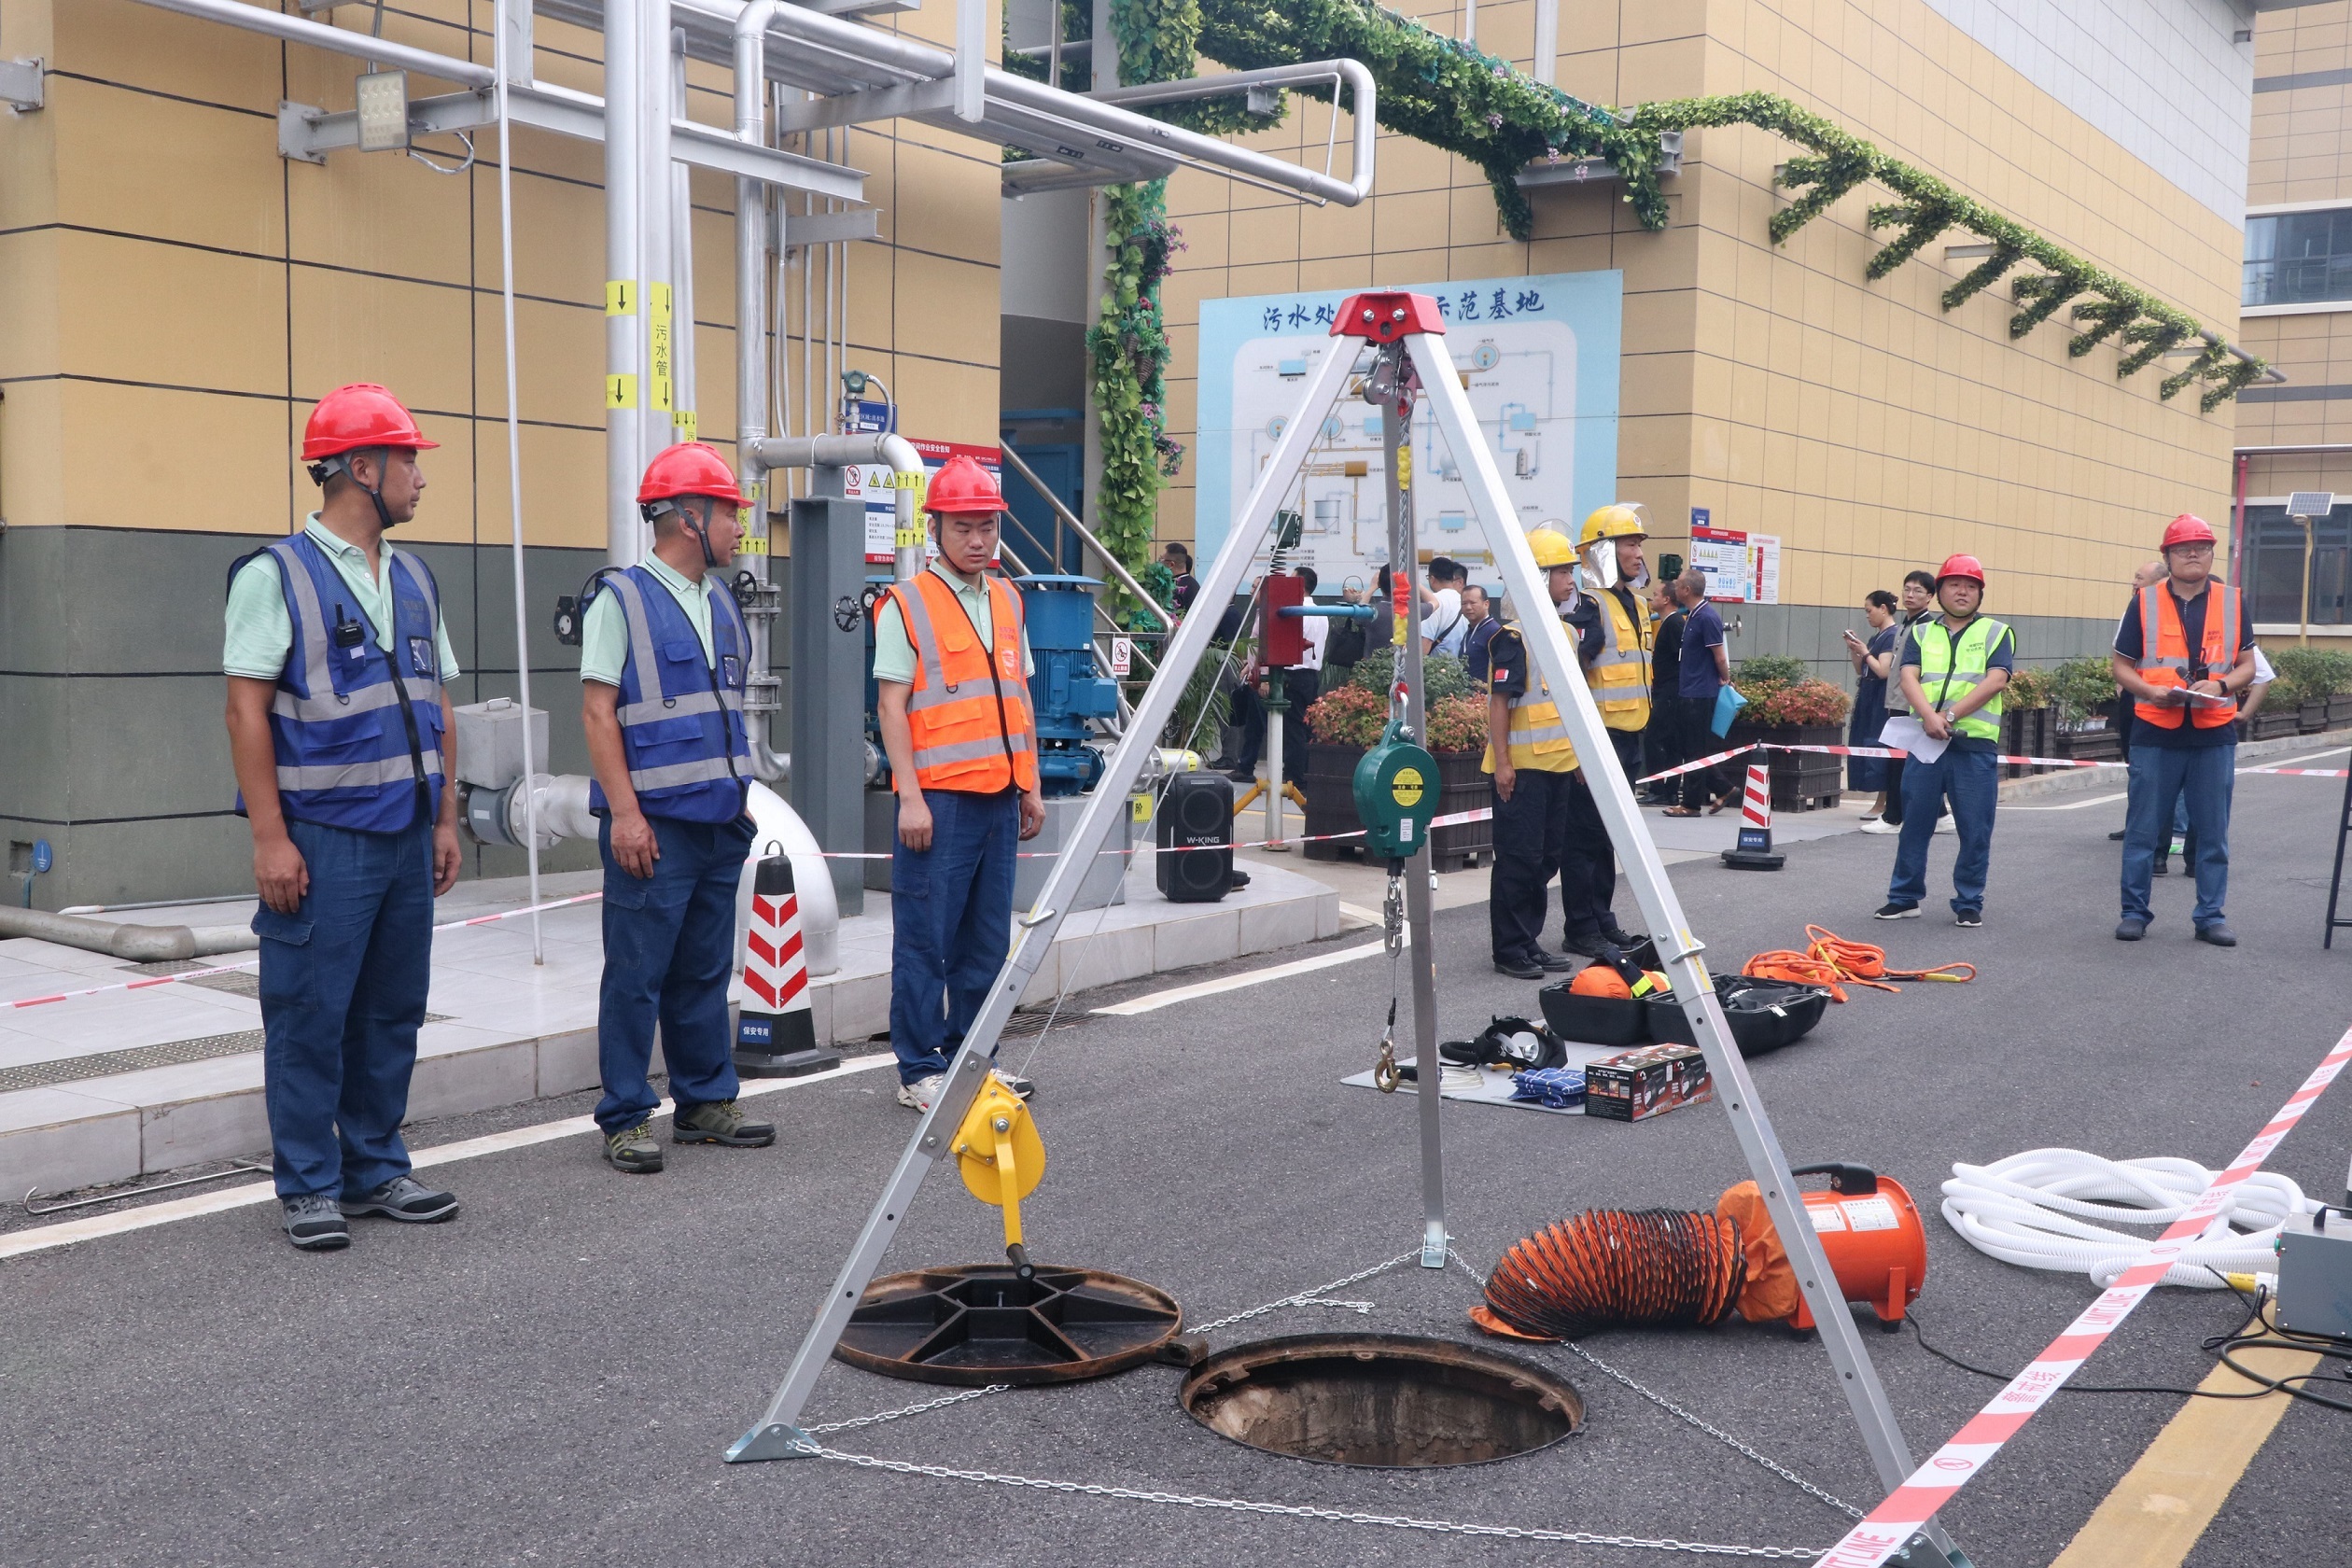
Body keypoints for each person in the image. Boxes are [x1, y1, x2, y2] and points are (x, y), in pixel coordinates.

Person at [224, 383, 464, 1250]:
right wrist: (270, 838)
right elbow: (245, 711)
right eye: (409, 462)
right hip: (324, 838)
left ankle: (374, 1168)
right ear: (362, 468)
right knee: (309, 1014)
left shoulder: (416, 576)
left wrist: (446, 819)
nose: (420, 479)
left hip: (406, 832)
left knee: (392, 1011)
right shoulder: (274, 575)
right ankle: (309, 1185)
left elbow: (437, 703)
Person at [580, 442, 774, 1174]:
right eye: (729, 513)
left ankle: (703, 1102)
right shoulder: (620, 600)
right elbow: (597, 713)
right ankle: (626, 1116)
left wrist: (739, 807)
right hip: (653, 826)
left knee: (701, 971)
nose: (739, 528)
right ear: (690, 517)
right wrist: (626, 815)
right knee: (636, 975)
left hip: (718, 821)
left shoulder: (721, 601)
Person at [874, 455, 1048, 1110]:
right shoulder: (906, 603)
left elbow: (1019, 697)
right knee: (926, 938)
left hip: (1000, 797)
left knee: (986, 942)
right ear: (936, 529)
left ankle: (974, 1061)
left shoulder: (1008, 598)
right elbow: (891, 707)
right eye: (963, 528)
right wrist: (909, 797)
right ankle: (919, 1070)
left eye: (987, 527)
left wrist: (1030, 785)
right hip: (939, 801)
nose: (978, 540)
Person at [2110, 514, 2257, 945]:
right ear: (2168, 556)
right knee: (2142, 832)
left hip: (2213, 733)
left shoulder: (2233, 601)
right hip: (2156, 731)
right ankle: (2134, 913)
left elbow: (2248, 664)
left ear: (2212, 554)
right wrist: (2148, 691)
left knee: (2213, 834)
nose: (2193, 554)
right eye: (2182, 548)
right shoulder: (2144, 602)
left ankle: (2210, 917)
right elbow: (2121, 666)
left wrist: (2222, 686)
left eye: (2201, 547)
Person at [1484, 527, 1601, 978]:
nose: (1571, 580)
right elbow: (1500, 703)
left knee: (1548, 857)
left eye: (1571, 571)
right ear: (1537, 578)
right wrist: (1504, 764)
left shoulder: (1567, 634)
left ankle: (1527, 940)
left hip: (1559, 766)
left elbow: (1572, 702)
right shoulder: (1512, 637)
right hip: (1523, 770)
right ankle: (1510, 948)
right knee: (1519, 859)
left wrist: (1580, 757)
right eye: (1562, 572)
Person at [1876, 554, 2013, 927]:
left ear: (1980, 593)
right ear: (1940, 592)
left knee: (1975, 829)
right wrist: (1930, 717)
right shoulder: (1922, 632)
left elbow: (1996, 680)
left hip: (1974, 746)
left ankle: (1968, 901)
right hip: (1926, 743)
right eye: (1954, 585)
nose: (1962, 592)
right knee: (1914, 824)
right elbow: (1908, 676)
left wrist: (1948, 716)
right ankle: (1904, 897)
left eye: (1971, 586)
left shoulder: (1997, 632)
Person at [1556, 504, 1655, 955]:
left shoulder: (1637, 603)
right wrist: (1579, 747)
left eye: (1638, 544)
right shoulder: (1588, 607)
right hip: (1599, 741)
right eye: (1630, 543)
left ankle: (1602, 920)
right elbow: (1571, 676)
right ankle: (1581, 927)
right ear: (1603, 551)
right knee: (1584, 836)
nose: (1638, 552)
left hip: (1630, 737)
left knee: (1609, 835)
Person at [1863, 570, 1940, 836]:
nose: (1910, 595)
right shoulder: (1906, 624)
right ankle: (1939, 814)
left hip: (1910, 703)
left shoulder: (1928, 627)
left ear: (1930, 597)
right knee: (1911, 760)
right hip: (1898, 700)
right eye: (1907, 589)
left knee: (1900, 762)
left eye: (1918, 591)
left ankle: (1893, 816)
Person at [1665, 568, 1733, 816]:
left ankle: (1691, 804)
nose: (1674, 587)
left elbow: (1719, 656)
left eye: (1678, 584)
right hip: (1689, 691)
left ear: (1687, 590)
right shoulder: (1693, 615)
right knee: (1689, 747)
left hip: (1701, 693)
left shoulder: (1707, 617)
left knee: (1695, 749)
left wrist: (1725, 677)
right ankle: (1723, 787)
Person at [1843, 590, 1900, 818]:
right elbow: (1861, 669)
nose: (1867, 616)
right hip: (1868, 695)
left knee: (1879, 746)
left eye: (1870, 610)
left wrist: (1865, 652)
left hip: (1880, 698)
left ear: (1883, 608)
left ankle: (1882, 802)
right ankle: (1879, 800)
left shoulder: (1891, 636)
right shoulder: (1877, 637)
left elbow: (1883, 670)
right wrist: (1855, 650)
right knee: (1865, 743)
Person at [1642, 582, 1687, 804]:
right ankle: (1669, 791)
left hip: (1669, 690)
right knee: (1670, 741)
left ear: (1667, 599)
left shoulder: (1674, 623)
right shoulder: (1668, 623)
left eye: (1655, 595)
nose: (1652, 598)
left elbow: (1682, 657)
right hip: (1668, 689)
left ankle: (1658, 788)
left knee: (1653, 737)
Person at [1421, 556, 1470, 655]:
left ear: (1432, 579)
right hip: (1462, 663)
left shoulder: (1433, 603)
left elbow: (1424, 644)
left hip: (1438, 664)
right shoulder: (1465, 601)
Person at [1461, 583, 1501, 682]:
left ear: (1486, 604)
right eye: (1464, 603)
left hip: (1485, 691)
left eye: (1473, 603)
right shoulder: (1469, 631)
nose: (1468, 607)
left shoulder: (1495, 631)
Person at [1162, 542, 1200, 619]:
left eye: (1161, 560)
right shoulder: (1194, 584)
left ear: (1171, 565)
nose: (1159, 564)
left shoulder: (1174, 588)